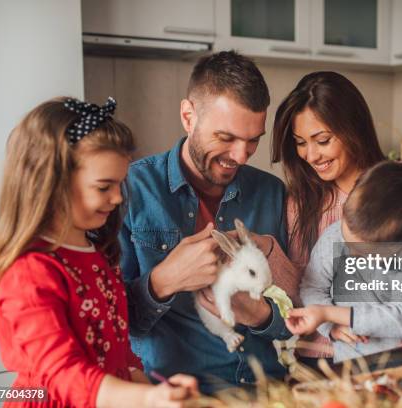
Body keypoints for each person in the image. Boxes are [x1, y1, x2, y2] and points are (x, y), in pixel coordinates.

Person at [0, 97, 198, 407]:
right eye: (103, 186)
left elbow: (118, 350)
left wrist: (154, 390)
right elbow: (63, 375)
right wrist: (149, 398)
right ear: (51, 182)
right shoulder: (29, 273)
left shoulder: (97, 253)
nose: (116, 198)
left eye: (120, 184)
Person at [120, 51, 297, 394]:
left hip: (266, 392)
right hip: (177, 394)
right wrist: (162, 282)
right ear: (188, 116)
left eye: (253, 140)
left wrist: (261, 316)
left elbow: (297, 313)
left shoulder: (272, 192)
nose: (241, 156)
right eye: (226, 138)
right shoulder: (130, 190)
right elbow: (109, 324)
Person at [271, 71, 402, 360]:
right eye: (300, 142)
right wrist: (331, 328)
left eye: (322, 140)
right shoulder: (301, 203)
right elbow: (304, 288)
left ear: (352, 129)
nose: (311, 156)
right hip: (328, 361)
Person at [286, 161, 402, 362]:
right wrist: (329, 326)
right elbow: (313, 287)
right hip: (349, 361)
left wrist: (329, 313)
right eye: (347, 233)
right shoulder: (334, 236)